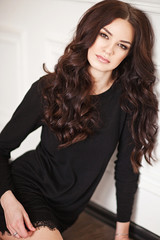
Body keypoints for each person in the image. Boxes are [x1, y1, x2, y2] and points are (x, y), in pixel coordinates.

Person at [0, 0, 158, 239]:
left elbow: (126, 169)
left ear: (129, 54)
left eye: (122, 45)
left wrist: (122, 234)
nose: (108, 50)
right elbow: (1, 147)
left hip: (64, 210)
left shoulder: (129, 102)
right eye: (104, 35)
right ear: (90, 31)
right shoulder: (49, 89)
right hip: (22, 188)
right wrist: (8, 202)